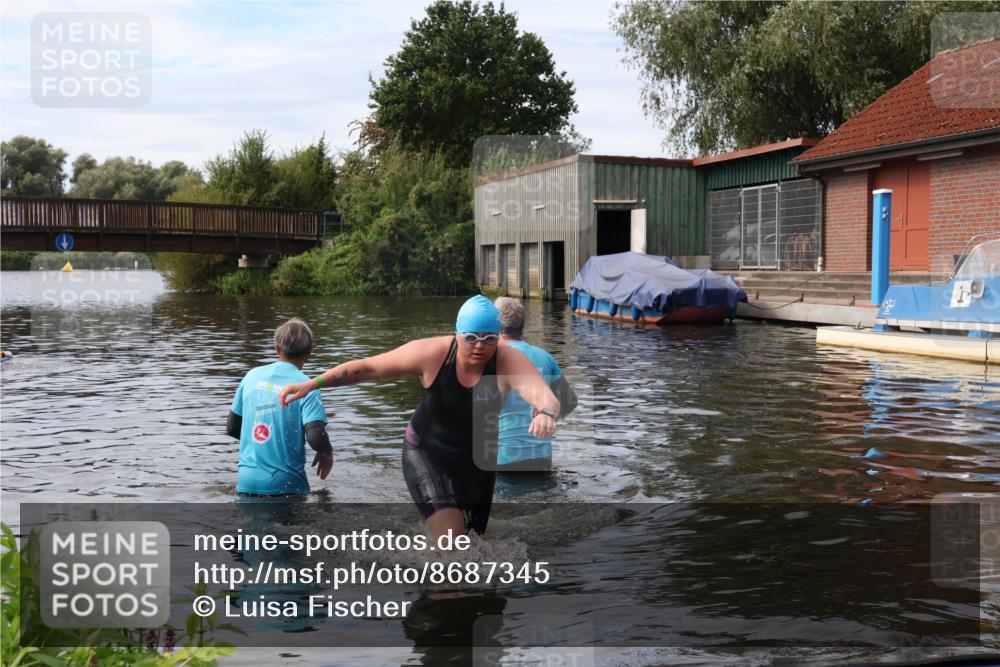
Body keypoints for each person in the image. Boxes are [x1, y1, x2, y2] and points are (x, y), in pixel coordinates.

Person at [278, 295, 560, 540]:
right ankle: (443, 593)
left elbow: (543, 394)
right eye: (471, 338)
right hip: (428, 452)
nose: (480, 346)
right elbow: (366, 369)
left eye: (488, 338)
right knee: (453, 547)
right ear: (457, 334)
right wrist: (311, 384)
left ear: (497, 337)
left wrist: (546, 412)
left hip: (477, 461)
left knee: (476, 543)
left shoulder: (507, 360)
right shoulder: (433, 353)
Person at [227, 318, 333, 496]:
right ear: (310, 351)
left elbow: (232, 427)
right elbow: (316, 436)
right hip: (288, 485)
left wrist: (263, 444)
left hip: (246, 482)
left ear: (277, 348)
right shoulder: (307, 386)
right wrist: (326, 451)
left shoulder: (251, 376)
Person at [494, 297, 578, 472]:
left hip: (499, 459)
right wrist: (545, 419)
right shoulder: (544, 357)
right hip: (541, 458)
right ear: (522, 325)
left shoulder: (490, 359)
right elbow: (569, 402)